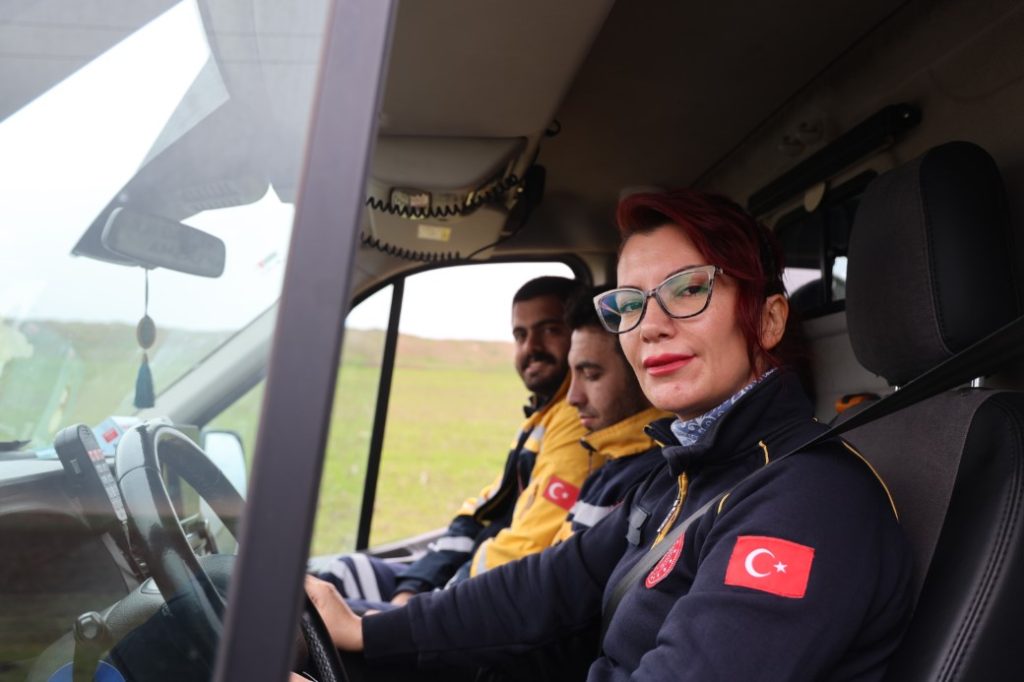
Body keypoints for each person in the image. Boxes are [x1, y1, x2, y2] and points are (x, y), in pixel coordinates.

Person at [302, 189, 913, 681]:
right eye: (629, 304)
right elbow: (544, 589)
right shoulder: (683, 474)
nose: (649, 327)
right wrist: (367, 630)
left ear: (769, 318)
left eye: (688, 289)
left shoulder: (808, 502)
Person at [316, 276, 598, 609]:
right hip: (464, 584)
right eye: (520, 335)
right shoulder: (543, 417)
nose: (531, 347)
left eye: (549, 330)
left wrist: (422, 609)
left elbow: (525, 548)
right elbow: (481, 509)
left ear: (579, 335)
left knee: (319, 611)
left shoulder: (578, 423)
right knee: (337, 574)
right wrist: (415, 586)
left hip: (480, 603)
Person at [551, 286, 668, 542]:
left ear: (641, 369)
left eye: (591, 375)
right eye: (572, 375)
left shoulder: (653, 478)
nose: (572, 397)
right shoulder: (611, 464)